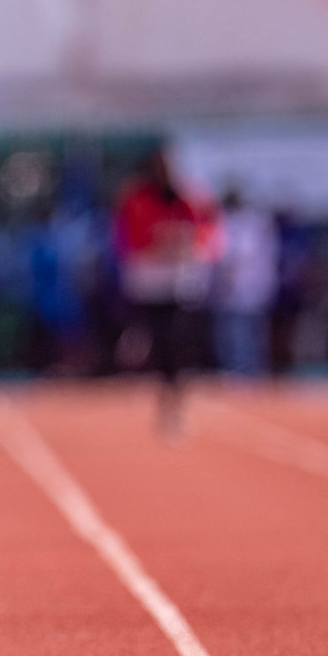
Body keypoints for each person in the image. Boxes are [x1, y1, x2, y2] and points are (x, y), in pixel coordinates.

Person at [113, 150, 219, 439]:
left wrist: (189, 243)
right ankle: (164, 393)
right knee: (159, 344)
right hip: (148, 284)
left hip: (181, 284)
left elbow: (208, 233)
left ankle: (176, 399)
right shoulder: (137, 199)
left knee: (180, 344)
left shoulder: (189, 197)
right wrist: (158, 243)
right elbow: (129, 238)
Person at [212, 189, 278, 377]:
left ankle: (248, 370)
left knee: (246, 332)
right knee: (233, 332)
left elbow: (235, 255)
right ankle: (238, 369)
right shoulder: (230, 223)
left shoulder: (250, 224)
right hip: (234, 289)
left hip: (248, 287)